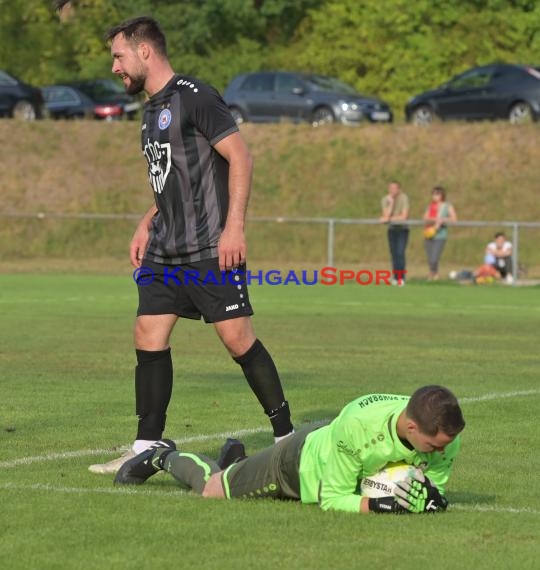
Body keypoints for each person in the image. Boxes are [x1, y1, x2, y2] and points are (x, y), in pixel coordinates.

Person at [89, 17, 294, 474]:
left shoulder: (194, 96)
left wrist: (234, 228)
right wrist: (147, 221)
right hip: (166, 250)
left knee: (237, 339)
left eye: (119, 57)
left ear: (145, 52)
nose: (116, 67)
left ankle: (287, 437)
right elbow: (171, 180)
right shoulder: (149, 111)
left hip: (208, 245)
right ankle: (146, 442)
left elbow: (240, 156)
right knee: (147, 333)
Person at [115, 385, 465, 515]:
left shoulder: (445, 433)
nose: (437, 454)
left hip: (330, 449)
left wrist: (434, 498)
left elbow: (432, 487)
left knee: (235, 475)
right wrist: (381, 505)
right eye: (433, 447)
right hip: (297, 466)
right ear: (412, 427)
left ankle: (237, 459)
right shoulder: (359, 428)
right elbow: (332, 499)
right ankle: (162, 454)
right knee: (213, 489)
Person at [422, 186, 457, 280]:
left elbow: (454, 219)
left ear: (442, 195)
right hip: (428, 233)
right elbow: (425, 218)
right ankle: (433, 274)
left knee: (434, 257)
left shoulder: (447, 206)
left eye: (437, 194)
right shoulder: (430, 206)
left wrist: (443, 220)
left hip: (440, 235)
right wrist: (433, 220)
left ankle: (434, 273)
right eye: (433, 194)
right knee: (430, 258)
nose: (434, 196)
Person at [379, 181, 410, 285]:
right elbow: (385, 214)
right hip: (392, 229)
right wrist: (391, 203)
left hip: (402, 229)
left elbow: (404, 216)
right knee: (394, 254)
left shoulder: (403, 198)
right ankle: (395, 277)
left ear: (398, 189)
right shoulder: (385, 199)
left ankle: (401, 278)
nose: (392, 190)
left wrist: (389, 219)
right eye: (390, 188)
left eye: (394, 188)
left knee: (400, 252)